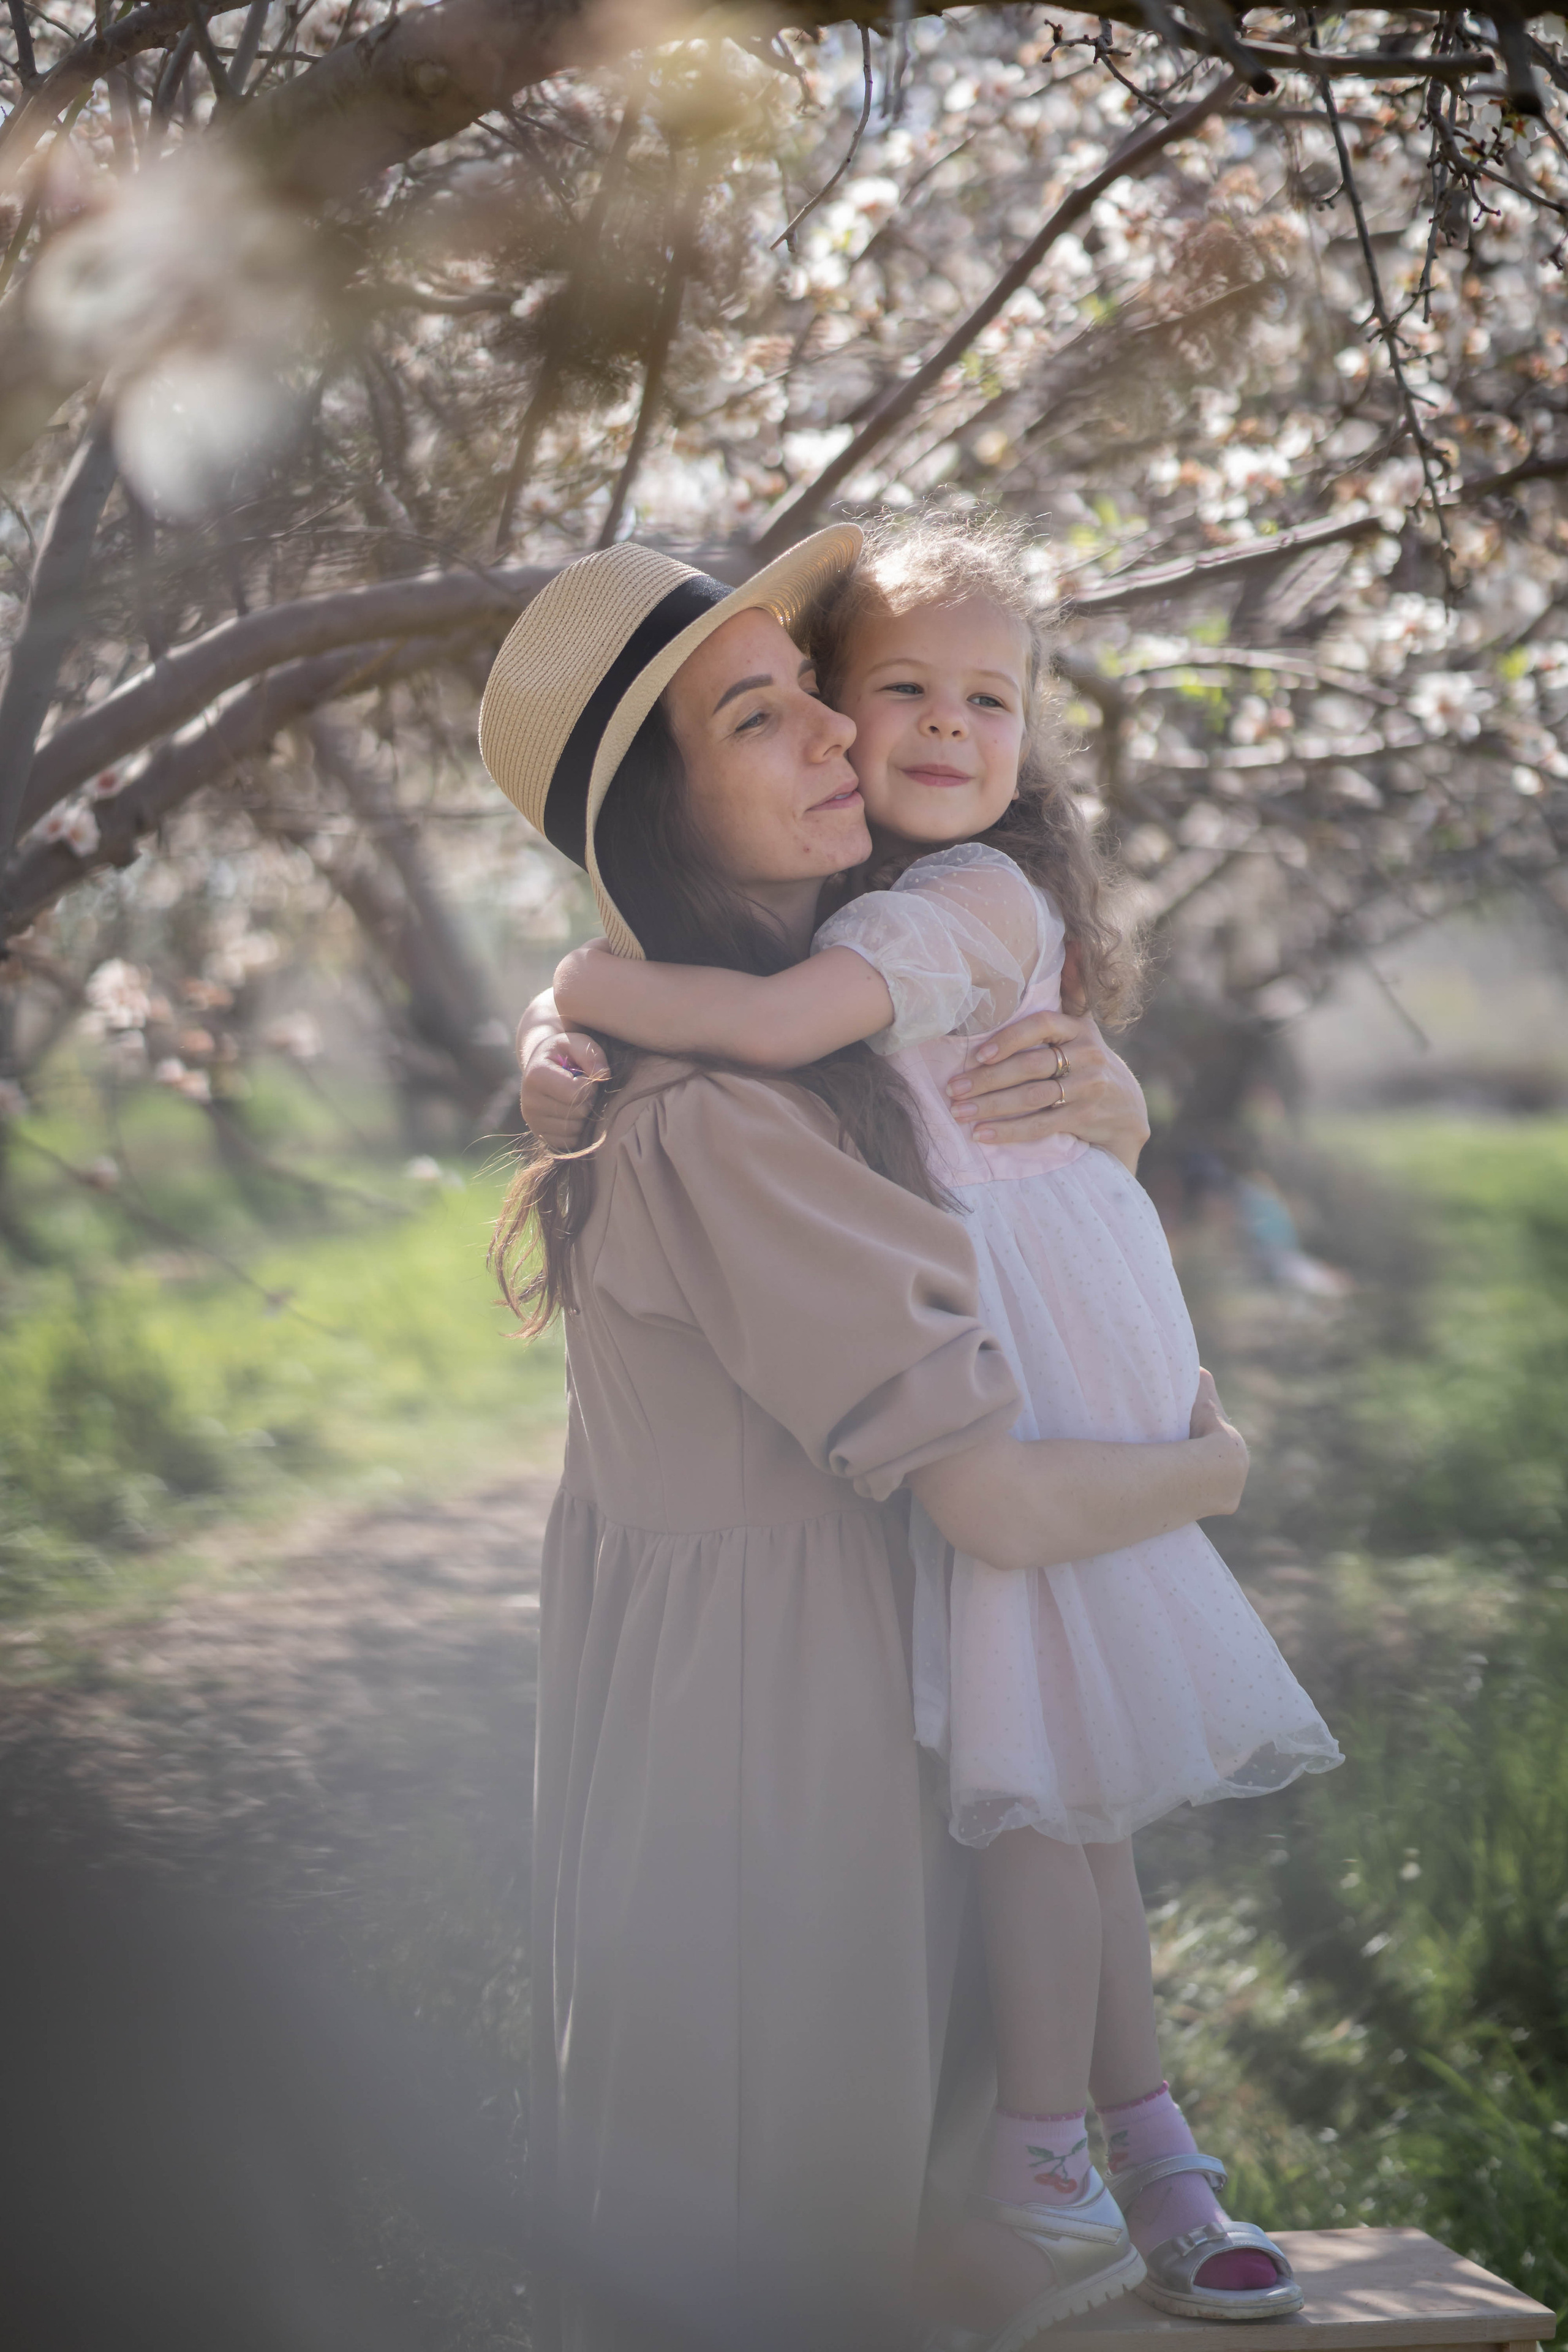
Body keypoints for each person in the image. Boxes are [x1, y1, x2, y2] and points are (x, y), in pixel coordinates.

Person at [546, 516, 1342, 2335]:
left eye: (982, 701)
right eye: (795, 709)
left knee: (1059, 1804)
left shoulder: (910, 929)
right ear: (661, 815)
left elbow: (831, 1039)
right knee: (1054, 1815)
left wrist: (1116, 1115)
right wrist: (1210, 1471)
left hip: (1003, 1415)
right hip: (831, 1627)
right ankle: (1106, 2157)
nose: (866, 735)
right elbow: (765, 1045)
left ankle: (1087, 2157)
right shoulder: (729, 1091)